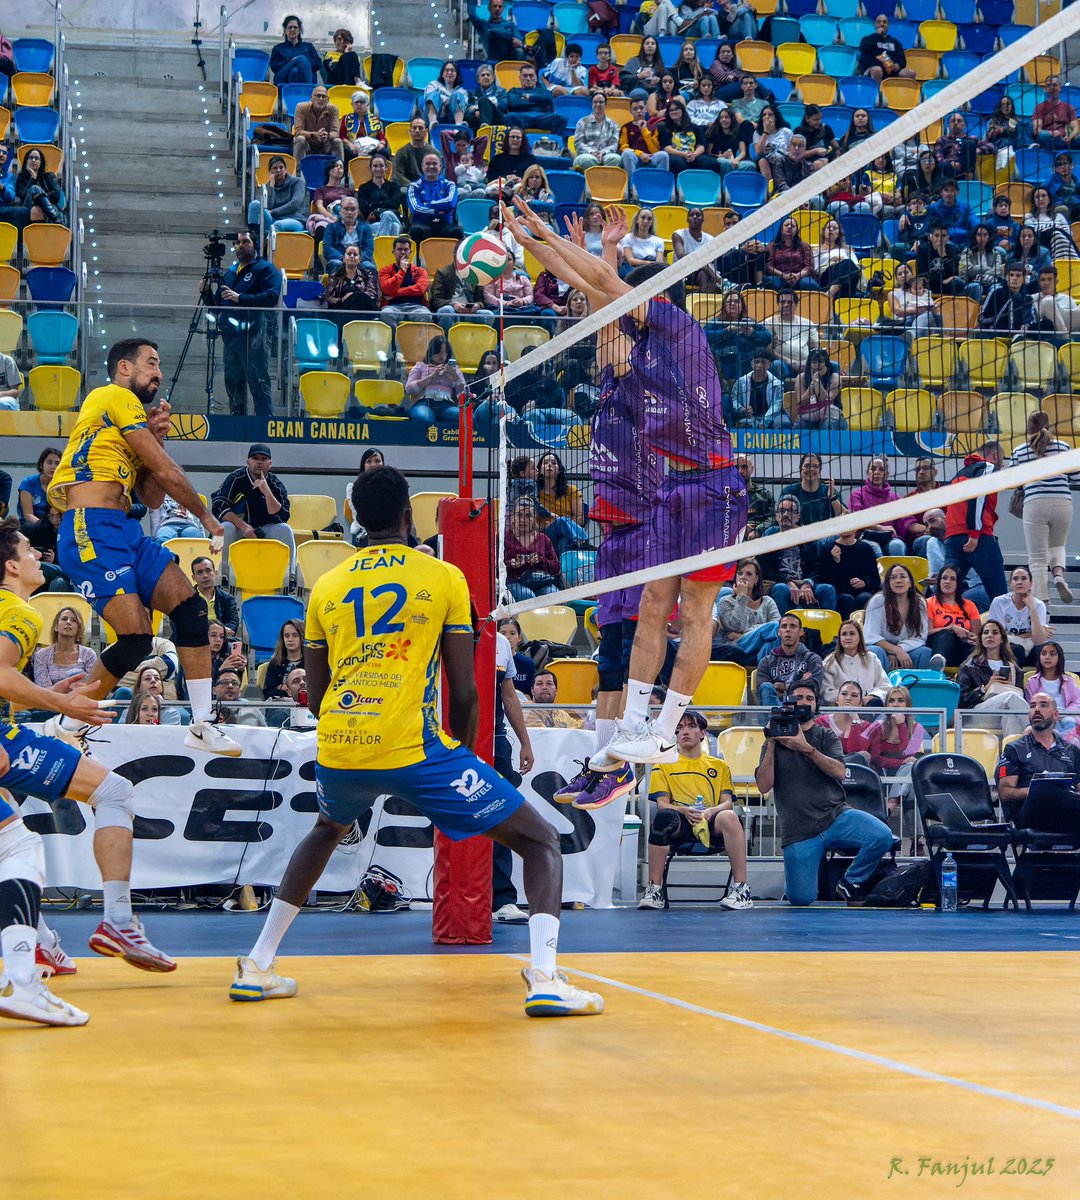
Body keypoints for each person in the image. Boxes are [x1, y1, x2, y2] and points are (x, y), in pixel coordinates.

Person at [230, 467, 604, 1016]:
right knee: (541, 841)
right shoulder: (443, 576)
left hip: (341, 742)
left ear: (357, 519)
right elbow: (465, 688)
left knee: (327, 828)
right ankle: (546, 977)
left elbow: (316, 693)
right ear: (409, 517)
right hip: (417, 751)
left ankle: (258, 963)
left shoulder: (327, 586)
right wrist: (464, 757)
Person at [502, 196, 747, 770]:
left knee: (695, 612)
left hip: (714, 487)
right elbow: (592, 288)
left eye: (628, 300)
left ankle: (665, 728)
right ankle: (632, 729)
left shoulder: (679, 328)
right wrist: (533, 242)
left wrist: (553, 239)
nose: (620, 309)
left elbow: (601, 283)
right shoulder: (635, 360)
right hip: (671, 492)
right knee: (653, 603)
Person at [0, 521, 177, 1028]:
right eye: (29, 550)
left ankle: (42, 944)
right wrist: (62, 704)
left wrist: (48, 698)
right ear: (11, 565)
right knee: (106, 796)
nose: (38, 556)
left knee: (11, 841)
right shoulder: (17, 610)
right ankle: (108, 924)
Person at [47, 340, 237, 756]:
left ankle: (202, 723)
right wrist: (206, 518)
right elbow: (166, 473)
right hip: (89, 527)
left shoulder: (122, 428)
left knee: (191, 609)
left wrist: (157, 440)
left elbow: (151, 497)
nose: (159, 373)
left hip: (124, 529)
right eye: (151, 363)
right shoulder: (113, 396)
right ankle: (69, 721)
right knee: (135, 638)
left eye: (160, 365)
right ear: (123, 367)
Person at [756, 681, 893, 905]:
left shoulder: (825, 735)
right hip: (799, 829)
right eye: (798, 698)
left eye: (809, 699)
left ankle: (850, 881)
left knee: (882, 835)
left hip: (836, 816)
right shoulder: (774, 741)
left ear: (816, 705)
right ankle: (796, 887)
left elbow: (840, 772)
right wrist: (771, 743)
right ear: (787, 704)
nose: (803, 703)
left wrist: (806, 748)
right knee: (801, 899)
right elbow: (763, 786)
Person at [639, 711, 753, 911]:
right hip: (681, 823)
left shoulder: (719, 766)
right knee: (663, 818)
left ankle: (741, 890)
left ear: (702, 733)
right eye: (679, 728)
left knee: (729, 816)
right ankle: (654, 891)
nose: (685, 732)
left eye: (691, 726)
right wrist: (684, 810)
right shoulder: (663, 765)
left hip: (711, 822)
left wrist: (711, 811)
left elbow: (727, 803)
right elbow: (663, 804)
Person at [202, 231, 281, 418]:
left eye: (245, 241)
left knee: (258, 383)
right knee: (233, 385)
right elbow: (218, 307)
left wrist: (241, 298)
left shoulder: (266, 269)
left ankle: (263, 426)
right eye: (237, 243)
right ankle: (236, 425)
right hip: (230, 336)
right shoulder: (231, 272)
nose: (240, 245)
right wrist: (206, 293)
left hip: (255, 335)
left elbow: (271, 297)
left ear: (255, 244)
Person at [1010, 410, 1077, 604]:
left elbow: (1012, 480)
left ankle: (1042, 605)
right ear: (1049, 426)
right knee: (1058, 545)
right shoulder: (1063, 447)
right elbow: (1077, 477)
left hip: (1035, 503)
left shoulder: (1020, 450)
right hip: (1063, 502)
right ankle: (1058, 575)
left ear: (1028, 428)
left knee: (1037, 560)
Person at [211, 443, 296, 576]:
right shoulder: (236, 478)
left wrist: (267, 492)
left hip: (264, 529)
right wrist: (244, 527)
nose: (259, 462)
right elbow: (218, 506)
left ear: (270, 464)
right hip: (239, 528)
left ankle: (289, 577)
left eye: (263, 459)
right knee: (225, 527)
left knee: (285, 529)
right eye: (255, 458)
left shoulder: (274, 483)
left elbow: (283, 516)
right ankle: (223, 575)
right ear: (248, 462)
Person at [997, 693, 1080, 821]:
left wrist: (1063, 795)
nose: (1036, 709)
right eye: (1032, 706)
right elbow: (1005, 793)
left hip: (1065, 809)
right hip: (1029, 812)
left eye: (1043, 705)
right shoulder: (1015, 749)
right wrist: (1037, 792)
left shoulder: (1072, 751)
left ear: (1056, 715)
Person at [943, 441, 1008, 604]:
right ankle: (1005, 622)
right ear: (995, 455)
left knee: (947, 592)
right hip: (976, 538)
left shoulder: (957, 475)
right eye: (1003, 459)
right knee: (1000, 595)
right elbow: (977, 497)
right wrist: (974, 532)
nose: (1003, 465)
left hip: (952, 539)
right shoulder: (988, 467)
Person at [757, 494, 836, 615]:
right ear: (776, 516)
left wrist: (808, 583)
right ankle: (780, 626)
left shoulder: (807, 538)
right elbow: (765, 569)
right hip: (779, 583)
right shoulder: (769, 537)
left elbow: (817, 567)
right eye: (782, 511)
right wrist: (787, 582)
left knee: (827, 589)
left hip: (804, 582)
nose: (785, 514)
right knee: (781, 589)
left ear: (798, 517)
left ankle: (830, 627)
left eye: (791, 511)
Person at [956, 618, 1029, 736]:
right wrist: (985, 688)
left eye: (995, 633)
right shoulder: (968, 666)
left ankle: (1011, 747)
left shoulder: (1015, 669)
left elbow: (1021, 699)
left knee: (1012, 714)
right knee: (1011, 696)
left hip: (1003, 712)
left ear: (1002, 639)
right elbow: (962, 701)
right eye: (986, 633)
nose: (989, 635)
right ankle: (1031, 729)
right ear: (981, 638)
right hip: (975, 714)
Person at [863, 563, 942, 672]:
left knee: (924, 652)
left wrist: (900, 649)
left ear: (910, 583)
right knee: (876, 651)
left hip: (907, 648)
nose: (898, 581)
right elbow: (871, 636)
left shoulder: (919, 603)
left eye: (903, 576)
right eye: (893, 577)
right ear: (888, 583)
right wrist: (895, 650)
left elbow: (920, 636)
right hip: (881, 648)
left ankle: (917, 682)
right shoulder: (877, 601)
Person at [711, 557, 780, 665]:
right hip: (738, 649)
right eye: (740, 573)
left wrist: (745, 633)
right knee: (772, 627)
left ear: (756, 579)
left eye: (749, 574)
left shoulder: (767, 602)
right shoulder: (726, 602)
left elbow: (779, 631)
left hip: (759, 652)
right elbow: (737, 626)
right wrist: (741, 596)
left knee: (774, 634)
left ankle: (762, 669)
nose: (743, 577)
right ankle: (764, 669)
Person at [987, 566, 1052, 667]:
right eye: (1015, 579)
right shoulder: (999, 602)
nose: (1019, 582)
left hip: (1030, 648)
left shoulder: (1039, 605)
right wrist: (1029, 634)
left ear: (1031, 583)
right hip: (1007, 648)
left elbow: (1039, 641)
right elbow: (998, 636)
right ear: (1011, 584)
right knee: (1017, 649)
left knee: (1049, 649)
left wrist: (1032, 609)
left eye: (1024, 578)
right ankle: (1015, 677)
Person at [756, 614, 824, 708]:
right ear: (779, 632)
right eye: (784, 626)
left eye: (793, 626)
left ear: (801, 632)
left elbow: (813, 687)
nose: (788, 630)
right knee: (766, 686)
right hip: (774, 710)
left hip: (802, 708)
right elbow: (764, 693)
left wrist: (783, 687)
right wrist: (800, 682)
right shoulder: (766, 662)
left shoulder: (812, 659)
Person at [505, 495, 562, 602]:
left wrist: (541, 560)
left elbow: (557, 568)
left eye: (528, 516)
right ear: (512, 517)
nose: (523, 520)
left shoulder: (544, 539)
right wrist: (510, 564)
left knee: (553, 594)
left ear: (534, 517)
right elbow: (494, 567)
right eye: (519, 515)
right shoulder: (504, 538)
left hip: (542, 581)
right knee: (527, 596)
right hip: (514, 582)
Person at [820, 621, 890, 707]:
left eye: (852, 634)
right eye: (844, 634)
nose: (848, 637)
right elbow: (826, 692)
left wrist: (871, 697)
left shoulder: (872, 658)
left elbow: (885, 686)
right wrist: (851, 699)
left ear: (860, 637)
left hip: (869, 708)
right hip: (841, 710)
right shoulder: (829, 662)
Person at [848, 458, 909, 557]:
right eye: (873, 469)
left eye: (881, 469)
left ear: (887, 475)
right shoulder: (857, 495)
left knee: (897, 545)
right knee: (872, 547)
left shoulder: (895, 498)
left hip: (890, 538)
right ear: (867, 473)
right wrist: (879, 528)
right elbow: (856, 519)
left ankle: (897, 568)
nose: (877, 472)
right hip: (865, 538)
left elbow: (905, 522)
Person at [815, 528, 881, 619]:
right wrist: (836, 562)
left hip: (862, 591)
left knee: (864, 598)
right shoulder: (828, 548)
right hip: (839, 592)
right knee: (846, 599)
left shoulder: (865, 548)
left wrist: (864, 583)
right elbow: (824, 580)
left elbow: (876, 579)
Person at [925, 565, 982, 670]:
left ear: (958, 583)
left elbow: (976, 636)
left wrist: (970, 637)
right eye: (944, 578)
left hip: (963, 648)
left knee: (975, 647)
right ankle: (937, 669)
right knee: (945, 635)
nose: (948, 582)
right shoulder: (929, 603)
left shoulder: (969, 605)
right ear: (939, 581)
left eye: (952, 579)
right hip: (938, 645)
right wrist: (952, 628)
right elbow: (926, 632)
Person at [31, 605, 97, 690]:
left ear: (78, 629)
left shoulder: (88, 654)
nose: (68, 622)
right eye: (64, 619)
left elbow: (90, 686)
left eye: (74, 620)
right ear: (56, 626)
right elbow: (43, 689)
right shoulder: (42, 655)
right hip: (50, 698)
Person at [404, 335, 465, 425]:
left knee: (461, 416)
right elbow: (409, 389)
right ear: (431, 352)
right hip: (426, 401)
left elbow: (464, 392)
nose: (442, 356)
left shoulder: (454, 369)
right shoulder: (420, 366)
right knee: (421, 416)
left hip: (447, 403)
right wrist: (431, 377)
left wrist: (455, 376)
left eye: (445, 352)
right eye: (438, 352)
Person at [407, 153, 463, 245]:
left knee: (457, 231)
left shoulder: (450, 185)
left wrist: (428, 204)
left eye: (434, 163)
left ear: (440, 167)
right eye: (427, 164)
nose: (431, 166)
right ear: (422, 167)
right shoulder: (414, 186)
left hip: (445, 224)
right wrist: (436, 211)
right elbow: (416, 209)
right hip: (422, 224)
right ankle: (418, 255)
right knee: (416, 231)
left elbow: (450, 203)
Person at [724, 351, 786, 429]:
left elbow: (777, 405)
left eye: (763, 362)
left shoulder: (777, 384)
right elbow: (734, 400)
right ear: (752, 363)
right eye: (756, 362)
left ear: (769, 365)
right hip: (750, 418)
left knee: (783, 422)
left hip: (772, 418)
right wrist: (742, 410)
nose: (759, 365)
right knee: (745, 424)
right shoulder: (741, 382)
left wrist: (765, 421)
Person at [378, 236, 432, 323]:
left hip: (417, 307)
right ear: (393, 252)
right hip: (393, 307)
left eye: (406, 249)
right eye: (399, 249)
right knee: (386, 314)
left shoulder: (420, 271)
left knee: (425, 315)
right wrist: (402, 271)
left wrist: (395, 293)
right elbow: (387, 289)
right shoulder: (385, 271)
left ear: (410, 252)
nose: (403, 252)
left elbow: (420, 289)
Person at [248, 156, 306, 235]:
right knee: (254, 204)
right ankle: (254, 235)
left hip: (294, 219)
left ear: (285, 170)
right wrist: (271, 186)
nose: (278, 170)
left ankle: (265, 241)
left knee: (276, 225)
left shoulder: (298, 182)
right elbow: (268, 206)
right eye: (275, 168)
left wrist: (273, 212)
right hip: (273, 219)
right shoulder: (266, 188)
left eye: (281, 167)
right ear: (270, 171)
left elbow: (295, 203)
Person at [505, 63, 567, 136]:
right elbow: (514, 103)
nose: (528, 79)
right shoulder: (514, 91)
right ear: (520, 78)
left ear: (536, 78)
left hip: (542, 117)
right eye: (525, 76)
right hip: (522, 117)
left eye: (531, 76)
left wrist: (529, 98)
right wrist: (539, 100)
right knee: (509, 116)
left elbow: (548, 98)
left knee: (562, 119)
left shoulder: (544, 91)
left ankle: (553, 141)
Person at [816, 679, 873, 759]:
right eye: (844, 694)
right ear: (837, 699)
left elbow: (856, 754)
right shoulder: (821, 722)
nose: (848, 698)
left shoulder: (867, 727)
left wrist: (855, 720)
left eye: (854, 695)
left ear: (860, 703)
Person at [321, 195, 376, 275]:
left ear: (357, 211)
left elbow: (369, 249)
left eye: (353, 209)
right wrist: (345, 259)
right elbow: (327, 248)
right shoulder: (331, 227)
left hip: (360, 260)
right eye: (346, 209)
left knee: (369, 267)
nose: (349, 212)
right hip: (339, 259)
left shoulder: (366, 228)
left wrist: (357, 259)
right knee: (337, 264)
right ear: (340, 211)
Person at [355, 153, 404, 238]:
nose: (378, 169)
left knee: (387, 215)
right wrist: (386, 204)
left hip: (393, 217)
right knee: (394, 227)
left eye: (381, 166)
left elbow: (395, 204)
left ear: (386, 167)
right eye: (375, 166)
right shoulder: (363, 188)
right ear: (370, 168)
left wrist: (376, 210)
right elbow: (364, 209)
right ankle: (389, 246)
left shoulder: (394, 186)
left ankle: (380, 245)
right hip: (373, 223)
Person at [978, 261, 1036, 332]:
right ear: (1006, 277)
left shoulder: (1027, 298)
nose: (1014, 278)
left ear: (1024, 278)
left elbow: (1032, 319)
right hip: (995, 332)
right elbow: (982, 318)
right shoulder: (996, 292)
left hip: (1019, 334)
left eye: (1018, 276)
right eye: (1011, 275)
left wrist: (1027, 325)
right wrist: (1000, 317)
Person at [292, 85, 343, 165]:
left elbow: (336, 133)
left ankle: (339, 168)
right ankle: (298, 169)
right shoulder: (301, 107)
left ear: (328, 100)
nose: (321, 99)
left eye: (324, 96)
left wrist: (326, 135)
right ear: (311, 97)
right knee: (300, 139)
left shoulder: (333, 109)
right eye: (318, 96)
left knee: (337, 141)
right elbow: (299, 132)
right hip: (308, 143)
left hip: (325, 144)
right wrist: (316, 135)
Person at [1025, 642, 1080, 714]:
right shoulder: (1032, 681)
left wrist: (1065, 714)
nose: (1047, 657)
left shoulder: (1068, 680)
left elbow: (1077, 701)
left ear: (1059, 658)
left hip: (1066, 715)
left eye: (1052, 654)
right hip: (1043, 716)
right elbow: (1031, 704)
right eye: (1044, 654)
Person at [324, 245, 380, 317]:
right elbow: (329, 299)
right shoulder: (334, 277)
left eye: (355, 254)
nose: (352, 256)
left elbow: (372, 295)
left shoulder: (368, 275)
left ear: (359, 259)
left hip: (364, 308)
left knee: (359, 296)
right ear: (344, 258)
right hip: (343, 311)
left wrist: (353, 295)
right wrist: (343, 299)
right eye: (349, 254)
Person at [857, 14, 915, 82]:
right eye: (879, 22)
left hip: (892, 70)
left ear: (888, 26)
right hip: (873, 69)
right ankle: (876, 88)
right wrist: (877, 35)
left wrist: (898, 65)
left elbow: (902, 60)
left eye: (884, 22)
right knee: (877, 70)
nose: (882, 24)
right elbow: (864, 49)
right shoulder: (867, 39)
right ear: (875, 25)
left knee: (910, 73)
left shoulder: (895, 42)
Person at [14, 148, 65, 225]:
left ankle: (55, 219)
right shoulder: (21, 178)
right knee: (34, 188)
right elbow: (23, 196)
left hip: (48, 210)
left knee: (36, 191)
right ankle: (55, 218)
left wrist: (38, 197)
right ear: (26, 161)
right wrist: (33, 178)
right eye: (31, 157)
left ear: (41, 162)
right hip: (27, 209)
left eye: (36, 158)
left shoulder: (49, 176)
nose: (33, 160)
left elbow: (56, 197)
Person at [573, 92, 621, 171]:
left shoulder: (613, 124)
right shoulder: (582, 122)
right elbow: (578, 143)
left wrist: (603, 152)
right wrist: (592, 152)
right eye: (595, 102)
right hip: (586, 154)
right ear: (592, 104)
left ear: (605, 104)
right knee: (588, 160)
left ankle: (606, 179)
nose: (598, 104)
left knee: (616, 159)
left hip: (606, 155)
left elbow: (614, 144)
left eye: (601, 102)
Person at [191, 555, 238, 636]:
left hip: (220, 638)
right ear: (193, 578)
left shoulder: (227, 599)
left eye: (208, 570)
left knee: (235, 644)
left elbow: (233, 623)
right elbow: (178, 624)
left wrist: (218, 633)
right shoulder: (185, 599)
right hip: (194, 639)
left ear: (215, 573)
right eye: (200, 572)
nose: (205, 575)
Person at [270, 15, 322, 85]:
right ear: (285, 29)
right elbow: (275, 67)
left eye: (295, 27)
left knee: (295, 71)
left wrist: (303, 62)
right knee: (301, 59)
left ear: (299, 30)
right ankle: (307, 89)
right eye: (290, 27)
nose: (292, 30)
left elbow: (318, 64)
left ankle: (302, 89)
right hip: (282, 79)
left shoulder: (308, 46)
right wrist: (294, 60)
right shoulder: (278, 48)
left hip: (305, 76)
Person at [17, 447, 61, 530]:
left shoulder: (63, 485)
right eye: (49, 462)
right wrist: (46, 527)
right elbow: (28, 515)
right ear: (41, 465)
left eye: (57, 463)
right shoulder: (28, 483)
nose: (53, 467)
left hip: (56, 526)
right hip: (33, 527)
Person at [262, 618, 305, 702]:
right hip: (280, 705)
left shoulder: (311, 662)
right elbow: (267, 692)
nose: (290, 639)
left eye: (295, 635)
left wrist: (280, 688)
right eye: (287, 636)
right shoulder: (275, 663)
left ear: (302, 637)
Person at [1032, 75, 1078, 153]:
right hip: (1048, 139)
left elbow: (1075, 128)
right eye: (1048, 86)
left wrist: (1070, 137)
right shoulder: (1039, 107)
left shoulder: (1068, 107)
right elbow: (1036, 131)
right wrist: (1051, 133)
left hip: (1064, 140)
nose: (1051, 88)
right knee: (1044, 136)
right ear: (1045, 89)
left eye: (1054, 85)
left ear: (1060, 87)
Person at [393, 117, 438, 188]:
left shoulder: (434, 153)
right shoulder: (401, 153)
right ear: (410, 131)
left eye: (420, 128)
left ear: (426, 131)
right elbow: (398, 175)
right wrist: (413, 186)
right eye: (414, 128)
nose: (417, 130)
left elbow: (437, 174)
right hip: (408, 188)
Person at [340, 92, 386, 161]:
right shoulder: (346, 118)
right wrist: (350, 145)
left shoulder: (375, 120)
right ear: (352, 104)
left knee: (384, 152)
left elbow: (382, 138)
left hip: (372, 147)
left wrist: (381, 144)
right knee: (347, 151)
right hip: (353, 147)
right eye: (356, 102)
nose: (359, 104)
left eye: (362, 102)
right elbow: (342, 136)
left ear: (367, 104)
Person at [424, 61, 469, 126]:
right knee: (434, 95)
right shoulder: (433, 84)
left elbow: (464, 105)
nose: (449, 72)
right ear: (442, 74)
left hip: (451, 118)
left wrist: (448, 101)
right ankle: (433, 123)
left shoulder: (462, 91)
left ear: (457, 74)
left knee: (458, 96)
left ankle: (458, 125)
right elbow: (428, 97)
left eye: (452, 70)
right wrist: (446, 101)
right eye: (447, 70)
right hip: (431, 116)